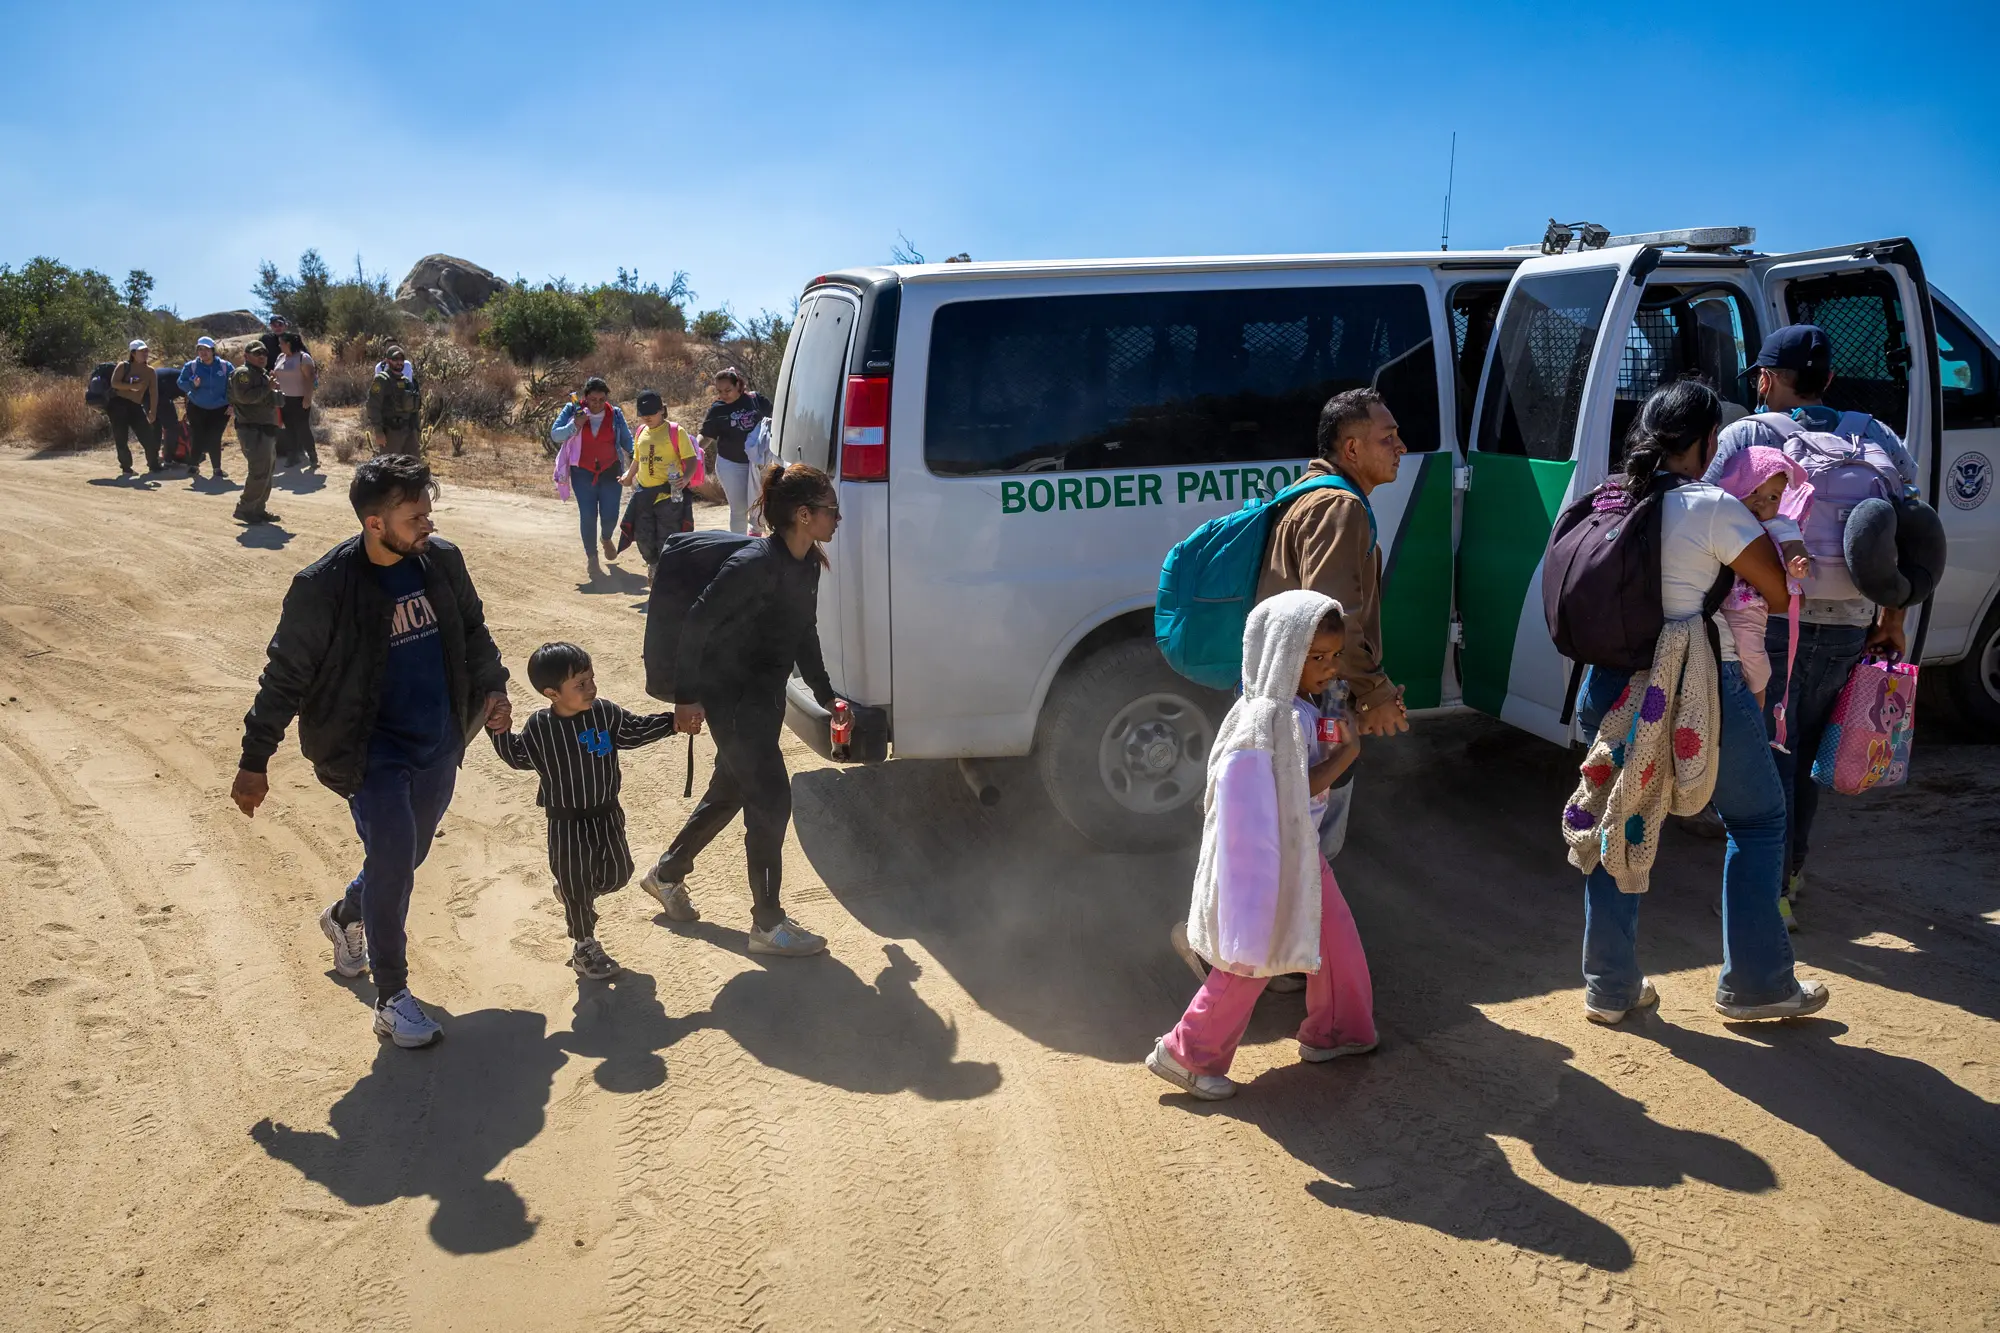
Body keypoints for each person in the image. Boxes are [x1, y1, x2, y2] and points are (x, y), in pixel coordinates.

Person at [1567, 379, 1827, 1025]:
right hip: (1692, 684)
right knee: (1760, 818)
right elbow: (1773, 592)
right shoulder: (1710, 505)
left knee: (1615, 818)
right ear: (1710, 441)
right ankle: (1758, 983)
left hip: (1608, 680)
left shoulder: (1604, 496)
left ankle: (1611, 986)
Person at [231, 455, 511, 1048]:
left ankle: (345, 916)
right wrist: (256, 759)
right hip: (367, 748)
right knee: (392, 856)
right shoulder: (323, 586)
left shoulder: (442, 561)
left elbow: (474, 627)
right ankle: (392, 997)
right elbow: (285, 675)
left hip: (438, 737)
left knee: (406, 856)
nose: (428, 525)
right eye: (416, 517)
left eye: (429, 512)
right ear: (375, 523)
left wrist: (494, 689)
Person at [1704, 324, 1918, 920]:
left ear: (1768, 379)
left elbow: (1702, 513)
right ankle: (1791, 875)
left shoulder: (1747, 434)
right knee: (1804, 755)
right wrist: (1893, 616)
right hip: (1853, 620)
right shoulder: (1875, 435)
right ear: (1827, 380)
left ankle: (1769, 894)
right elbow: (1912, 530)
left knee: (1772, 749)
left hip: (1769, 618)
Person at [1148, 592, 1377, 1102]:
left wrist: (1339, 724)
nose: (1326, 667)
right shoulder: (1268, 720)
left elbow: (1309, 753)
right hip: (1271, 863)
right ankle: (1186, 1053)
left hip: (1298, 853)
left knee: (1333, 935)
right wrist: (1349, 753)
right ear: (1281, 651)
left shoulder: (1291, 708)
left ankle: (1339, 1031)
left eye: (1333, 656)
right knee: (1249, 963)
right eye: (1314, 657)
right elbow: (1287, 793)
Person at [637, 464, 842, 957]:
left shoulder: (806, 563)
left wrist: (827, 694)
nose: (837, 519)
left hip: (765, 696)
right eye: (831, 510)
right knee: (770, 798)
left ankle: (666, 874)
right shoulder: (752, 564)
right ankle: (768, 924)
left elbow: (803, 633)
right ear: (803, 514)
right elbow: (695, 627)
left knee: (729, 791)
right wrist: (687, 696)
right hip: (730, 698)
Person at [1257, 387, 1411, 860]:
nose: (1401, 447)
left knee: (1282, 839)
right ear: (1351, 449)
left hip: (1294, 693)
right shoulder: (1340, 507)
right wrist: (1376, 693)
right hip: (1318, 701)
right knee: (1311, 844)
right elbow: (1333, 617)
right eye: (1388, 437)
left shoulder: (1306, 497)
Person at [490, 642, 678, 979]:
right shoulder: (540, 727)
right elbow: (518, 756)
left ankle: (573, 893)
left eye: (591, 680)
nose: (590, 688)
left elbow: (633, 731)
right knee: (577, 884)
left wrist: (672, 723)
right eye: (580, 684)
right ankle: (583, 944)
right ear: (552, 693)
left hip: (607, 813)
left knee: (618, 874)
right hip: (565, 821)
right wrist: (499, 730)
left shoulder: (604, 713)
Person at [1713, 447, 1813, 706]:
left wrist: (1797, 564)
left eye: (1773, 497)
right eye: (1754, 491)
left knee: (1751, 655)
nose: (1762, 502)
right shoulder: (1720, 514)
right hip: (1712, 602)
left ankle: (1756, 704)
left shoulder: (1778, 524)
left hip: (1749, 606)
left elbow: (1794, 545)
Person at [549, 377, 634, 581]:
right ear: (585, 397)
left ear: (606, 398)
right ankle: (592, 558)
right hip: (582, 472)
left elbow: (627, 440)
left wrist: (638, 456)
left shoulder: (615, 414)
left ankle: (606, 538)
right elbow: (555, 434)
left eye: (601, 399)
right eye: (592, 399)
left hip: (610, 471)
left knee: (611, 515)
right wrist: (574, 425)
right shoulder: (572, 409)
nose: (596, 404)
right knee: (588, 515)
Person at [615, 389, 698, 571]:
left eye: (652, 413)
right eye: (643, 414)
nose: (647, 417)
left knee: (667, 539)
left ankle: (665, 575)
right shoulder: (640, 432)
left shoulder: (676, 431)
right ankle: (654, 566)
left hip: (668, 496)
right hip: (644, 496)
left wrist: (685, 479)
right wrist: (628, 477)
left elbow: (691, 459)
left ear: (662, 410)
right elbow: (637, 459)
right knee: (643, 537)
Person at [699, 369, 773, 535]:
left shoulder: (756, 400)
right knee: (738, 509)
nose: (723, 395)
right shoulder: (717, 409)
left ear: (738, 385)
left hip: (758, 463)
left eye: (727, 390)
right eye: (719, 391)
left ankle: (754, 544)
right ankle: (738, 545)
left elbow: (775, 419)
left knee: (759, 506)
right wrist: (694, 450)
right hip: (731, 464)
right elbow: (706, 435)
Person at [228, 341, 282, 525]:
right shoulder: (243, 374)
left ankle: (258, 509)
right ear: (246, 356)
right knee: (259, 471)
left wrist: (274, 388)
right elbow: (244, 397)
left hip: (266, 427)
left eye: (264, 354)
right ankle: (245, 509)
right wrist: (267, 387)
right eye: (257, 353)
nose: (262, 357)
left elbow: (278, 402)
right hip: (251, 429)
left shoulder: (264, 375)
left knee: (267, 471)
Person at [178, 337, 233, 480]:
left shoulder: (225, 366)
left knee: (215, 437)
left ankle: (217, 468)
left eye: (206, 349)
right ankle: (193, 465)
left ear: (213, 351)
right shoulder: (191, 366)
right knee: (197, 436)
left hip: (220, 408)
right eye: (200, 349)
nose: (203, 352)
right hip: (196, 407)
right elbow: (180, 382)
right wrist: (192, 384)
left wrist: (233, 404)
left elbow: (234, 386)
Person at [106, 338, 161, 475]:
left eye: (146, 351)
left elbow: (154, 392)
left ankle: (154, 465)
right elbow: (114, 383)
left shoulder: (150, 371)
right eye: (141, 351)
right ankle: (126, 467)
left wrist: (152, 411)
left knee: (147, 436)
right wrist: (132, 387)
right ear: (133, 353)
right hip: (118, 404)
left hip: (136, 406)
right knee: (121, 437)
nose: (145, 354)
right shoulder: (123, 366)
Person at [272, 331, 319, 471]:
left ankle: (312, 455)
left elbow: (310, 379)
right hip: (283, 398)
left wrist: (307, 398)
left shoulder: (303, 358)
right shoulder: (280, 357)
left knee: (302, 428)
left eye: (281, 343)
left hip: (299, 399)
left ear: (289, 344)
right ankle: (293, 456)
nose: (279, 346)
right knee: (289, 428)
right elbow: (277, 374)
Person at [366, 346, 423, 456]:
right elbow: (373, 406)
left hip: (409, 432)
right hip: (391, 433)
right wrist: (379, 432)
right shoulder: (382, 380)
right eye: (395, 359)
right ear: (388, 361)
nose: (399, 362)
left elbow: (413, 410)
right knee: (389, 467)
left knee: (413, 465)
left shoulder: (406, 381)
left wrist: (416, 431)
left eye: (401, 360)